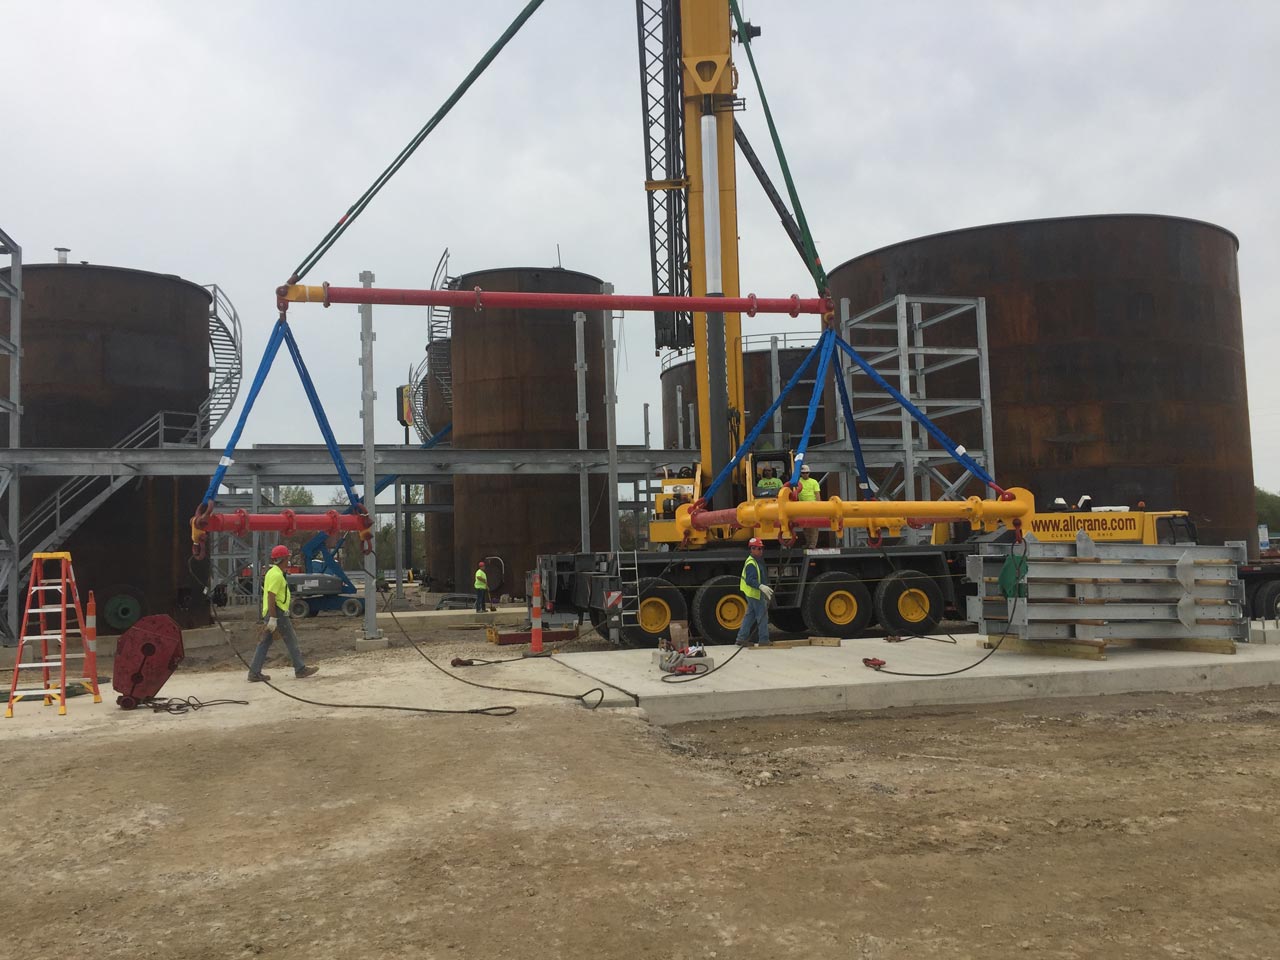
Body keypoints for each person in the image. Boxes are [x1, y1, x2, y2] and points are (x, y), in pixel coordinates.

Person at [248, 544, 319, 682]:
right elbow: (271, 596)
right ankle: (300, 669)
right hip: (277, 612)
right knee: (291, 640)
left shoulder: (273, 572)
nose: (289, 560)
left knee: (265, 642)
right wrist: (274, 618)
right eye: (287, 557)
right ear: (283, 559)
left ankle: (254, 672)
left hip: (274, 611)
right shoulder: (276, 575)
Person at [735, 537, 772, 647]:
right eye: (758, 549)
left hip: (753, 593)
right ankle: (764, 640)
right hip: (755, 594)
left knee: (750, 616)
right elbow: (750, 580)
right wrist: (761, 587)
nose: (761, 551)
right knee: (762, 616)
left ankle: (741, 638)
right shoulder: (751, 563)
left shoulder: (756, 561)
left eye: (761, 548)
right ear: (752, 549)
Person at [795, 463, 823, 548]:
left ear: (809, 473)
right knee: (805, 526)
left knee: (814, 526)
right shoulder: (797, 481)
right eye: (803, 473)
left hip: (812, 505)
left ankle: (812, 544)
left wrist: (819, 506)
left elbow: (817, 494)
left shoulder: (813, 482)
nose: (805, 474)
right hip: (802, 506)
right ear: (801, 473)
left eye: (806, 473)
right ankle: (808, 543)